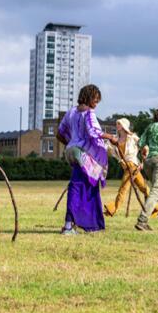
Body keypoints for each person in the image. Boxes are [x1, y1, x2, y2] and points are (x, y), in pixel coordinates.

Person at [56, 84, 117, 235]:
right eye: (95, 100)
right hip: (83, 154)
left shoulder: (71, 112)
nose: (96, 103)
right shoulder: (89, 113)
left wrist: (71, 144)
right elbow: (93, 132)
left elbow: (59, 133)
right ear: (89, 97)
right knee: (79, 188)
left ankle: (90, 224)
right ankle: (69, 225)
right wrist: (111, 137)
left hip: (72, 151)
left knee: (87, 186)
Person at [104, 118, 158, 218]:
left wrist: (143, 160)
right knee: (144, 188)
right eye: (117, 124)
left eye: (119, 124)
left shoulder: (132, 137)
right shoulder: (115, 139)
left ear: (124, 126)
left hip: (133, 165)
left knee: (123, 188)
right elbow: (107, 149)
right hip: (125, 167)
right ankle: (155, 208)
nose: (117, 125)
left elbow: (145, 147)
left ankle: (112, 210)